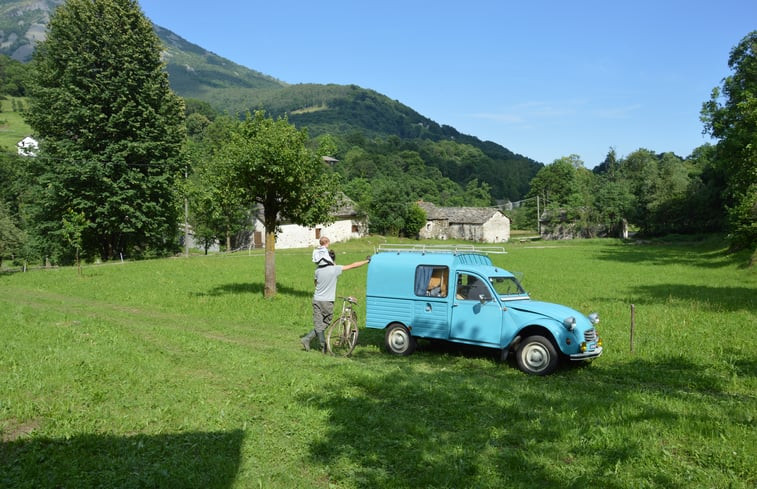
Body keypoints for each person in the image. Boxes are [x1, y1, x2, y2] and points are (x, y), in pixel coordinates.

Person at [301, 241, 370, 352]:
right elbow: (353, 265)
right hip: (327, 301)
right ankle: (321, 344)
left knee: (319, 324)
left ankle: (311, 341)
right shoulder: (335, 269)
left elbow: (316, 283)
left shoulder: (317, 271)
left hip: (316, 299)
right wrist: (367, 261)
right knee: (326, 322)